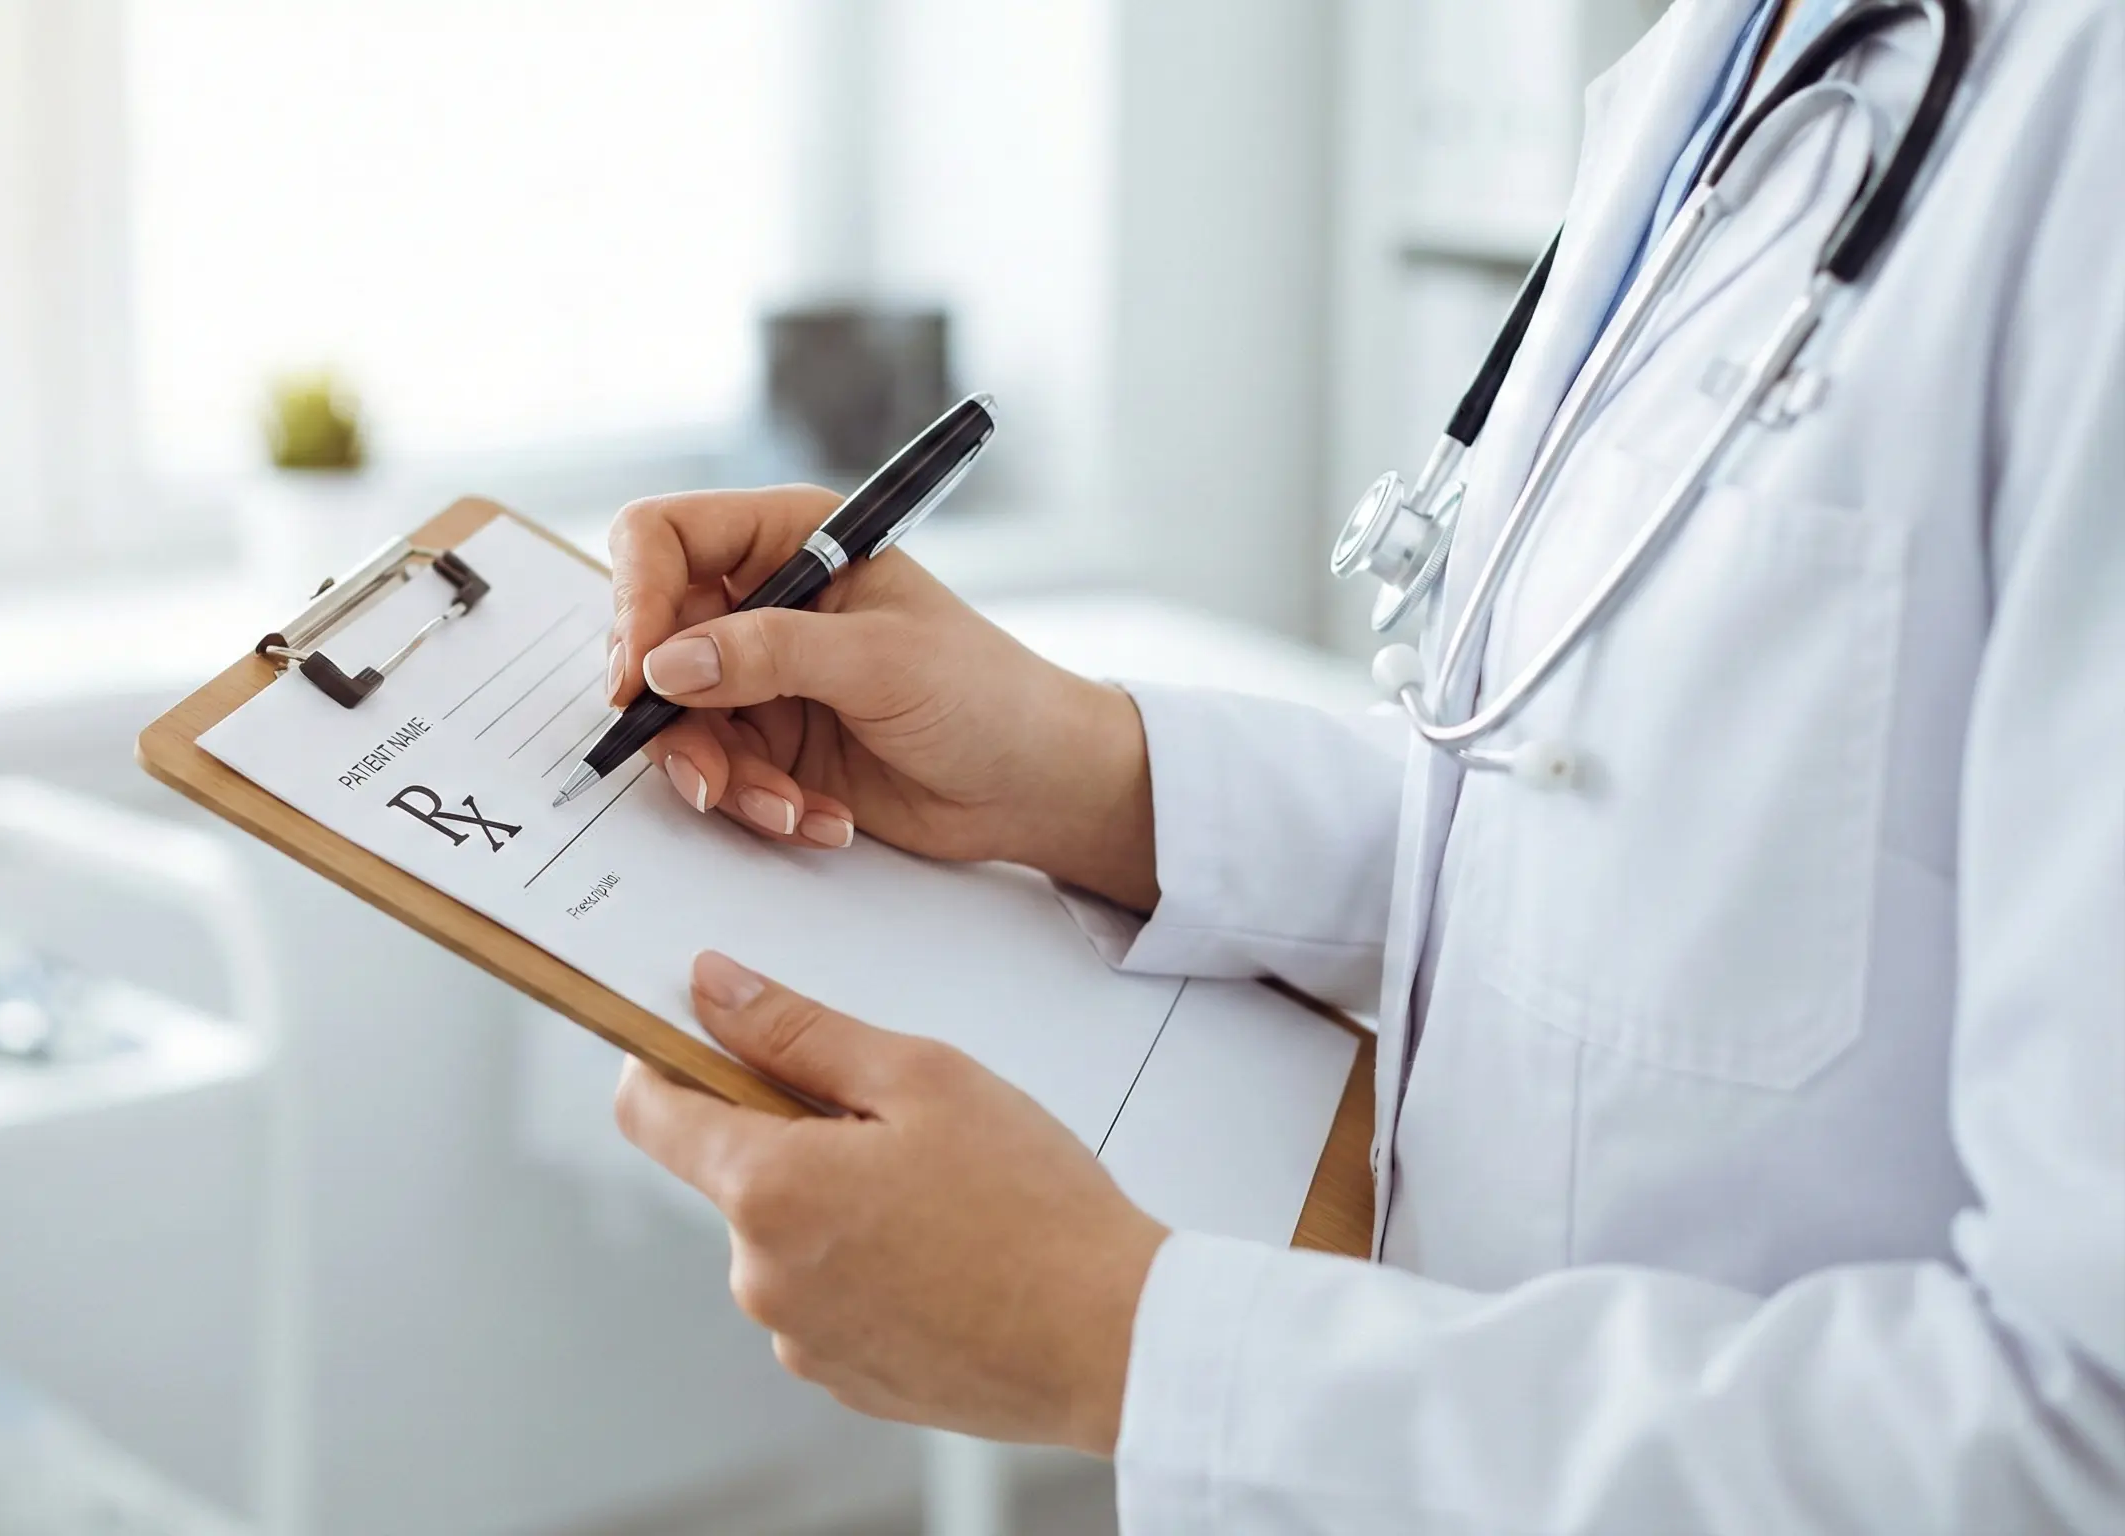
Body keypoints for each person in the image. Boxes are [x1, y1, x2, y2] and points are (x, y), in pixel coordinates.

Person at [605, 0, 2125, 1528]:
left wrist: (1128, 1341)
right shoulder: (1721, 63)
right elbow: (1614, 802)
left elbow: (2085, 1443)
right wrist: (1084, 773)